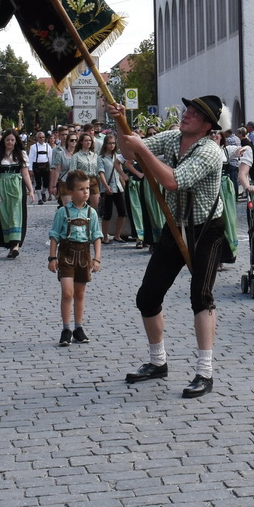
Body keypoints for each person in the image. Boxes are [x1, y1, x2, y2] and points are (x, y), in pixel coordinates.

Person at [113, 95, 230, 398]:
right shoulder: (171, 138)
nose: (187, 114)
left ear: (207, 125)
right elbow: (127, 151)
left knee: (200, 297)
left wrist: (141, 148)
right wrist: (119, 121)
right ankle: (158, 362)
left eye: (194, 113)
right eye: (188, 109)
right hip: (175, 226)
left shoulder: (211, 151)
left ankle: (205, 372)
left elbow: (174, 181)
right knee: (147, 296)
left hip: (206, 230)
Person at [49, 173, 103, 345]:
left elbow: (96, 236)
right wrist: (52, 258)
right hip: (66, 254)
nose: (86, 192)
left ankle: (78, 328)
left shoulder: (91, 213)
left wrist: (97, 258)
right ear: (71, 192)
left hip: (84, 255)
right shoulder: (62, 212)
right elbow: (54, 236)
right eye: (81, 189)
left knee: (79, 294)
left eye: (87, 188)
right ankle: (66, 328)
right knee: (67, 292)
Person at [0, 129, 30, 259]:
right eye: (8, 140)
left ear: (16, 141)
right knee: (5, 214)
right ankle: (10, 244)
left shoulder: (21, 154)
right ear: (4, 141)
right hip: (3, 185)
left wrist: (31, 190)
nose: (10, 142)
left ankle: (15, 244)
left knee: (16, 213)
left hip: (17, 185)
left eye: (12, 140)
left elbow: (25, 173)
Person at [27, 131, 54, 204]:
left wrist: (51, 167)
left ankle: (43, 192)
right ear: (37, 138)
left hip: (46, 166)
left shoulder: (48, 146)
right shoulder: (33, 147)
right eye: (40, 137)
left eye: (43, 137)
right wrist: (30, 169)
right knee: (37, 182)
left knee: (46, 183)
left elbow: (50, 157)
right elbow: (31, 158)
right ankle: (39, 199)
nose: (42, 139)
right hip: (37, 166)